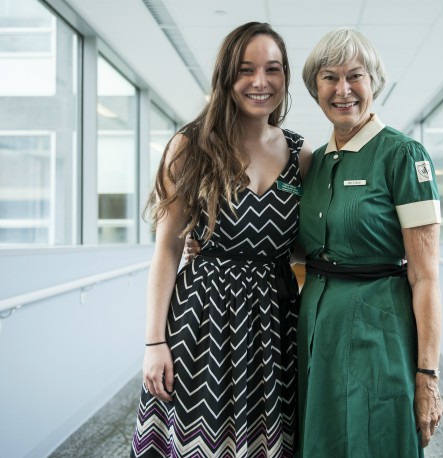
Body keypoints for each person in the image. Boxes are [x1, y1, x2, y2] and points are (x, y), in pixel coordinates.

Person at [130, 22, 311, 458]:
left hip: (274, 323)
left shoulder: (302, 156)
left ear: (286, 77)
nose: (260, 82)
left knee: (269, 440)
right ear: (226, 76)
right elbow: (168, 249)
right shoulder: (191, 146)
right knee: (199, 439)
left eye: (272, 69)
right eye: (246, 70)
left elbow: (303, 246)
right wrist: (154, 342)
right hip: (202, 319)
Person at [295, 28, 443, 456]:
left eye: (354, 76)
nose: (343, 90)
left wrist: (428, 376)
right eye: (329, 77)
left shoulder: (403, 155)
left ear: (373, 82)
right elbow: (309, 246)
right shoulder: (316, 163)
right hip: (318, 327)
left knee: (376, 437)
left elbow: (426, 276)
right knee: (322, 439)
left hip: (380, 328)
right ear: (314, 88)